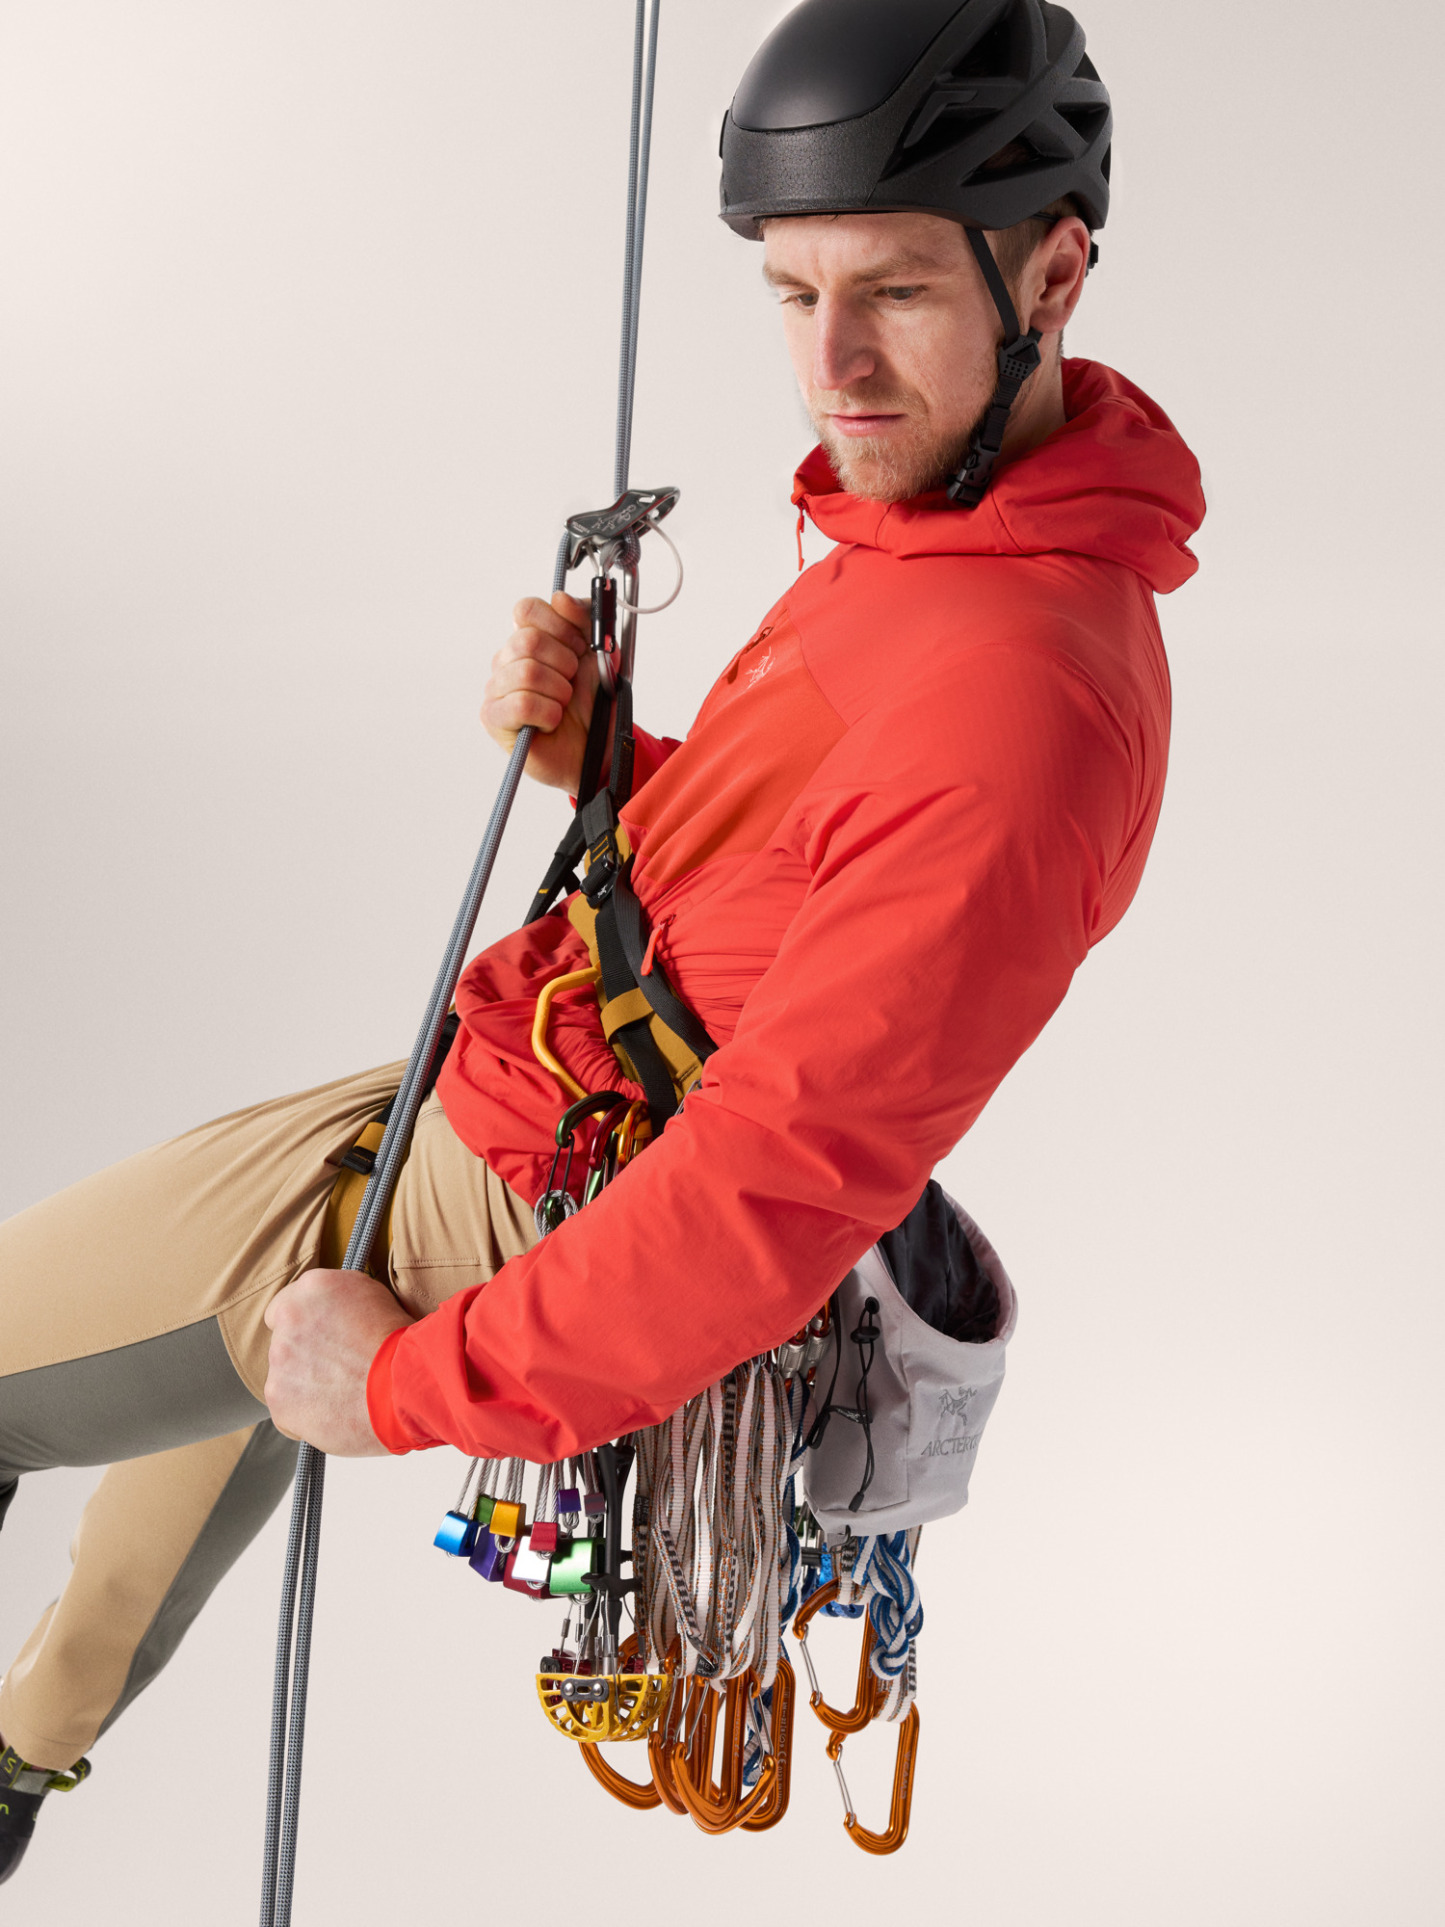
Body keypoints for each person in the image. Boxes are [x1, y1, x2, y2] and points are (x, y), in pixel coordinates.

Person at [0, 0, 1204, 1883]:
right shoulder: (954, 543)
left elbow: (774, 1182)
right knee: (142, 1520)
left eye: (894, 292)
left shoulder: (1018, 697)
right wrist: (611, 767)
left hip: (510, 1183)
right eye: (791, 295)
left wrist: (408, 1387)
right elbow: (799, 876)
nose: (833, 366)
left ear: (1051, 272)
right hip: (505, 1093)